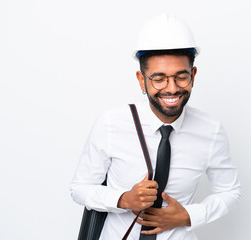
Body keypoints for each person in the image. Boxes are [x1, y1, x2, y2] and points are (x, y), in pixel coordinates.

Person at [70, 13, 241, 240]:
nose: (171, 89)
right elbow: (79, 188)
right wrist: (122, 199)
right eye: (159, 79)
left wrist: (189, 215)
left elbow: (230, 190)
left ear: (194, 75)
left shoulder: (211, 131)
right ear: (142, 80)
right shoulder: (111, 123)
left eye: (181, 77)